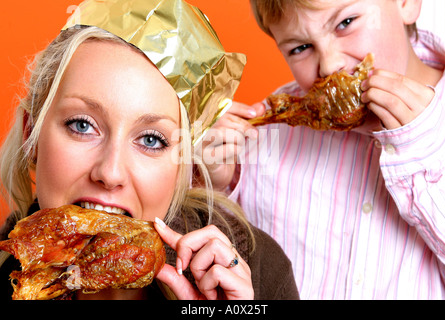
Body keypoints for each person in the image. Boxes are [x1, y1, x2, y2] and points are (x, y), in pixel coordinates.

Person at [0, 0, 299, 300]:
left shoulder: (260, 274)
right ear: (31, 135)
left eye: (151, 140)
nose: (110, 172)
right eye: (82, 125)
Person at [202, 0, 445, 299]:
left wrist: (423, 155)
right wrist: (212, 186)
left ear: (406, 3)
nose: (330, 65)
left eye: (346, 23)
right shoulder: (266, 137)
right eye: (300, 48)